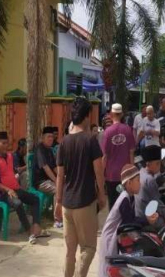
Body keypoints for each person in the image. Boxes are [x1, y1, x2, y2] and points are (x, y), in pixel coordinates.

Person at [55, 97, 106, 277]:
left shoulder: (63, 142)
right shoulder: (91, 140)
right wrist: (102, 194)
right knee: (89, 248)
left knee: (70, 252)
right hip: (85, 202)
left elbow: (60, 176)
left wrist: (58, 202)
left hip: (68, 204)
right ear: (86, 116)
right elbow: (98, 172)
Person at [98, 164, 159, 277]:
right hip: (110, 237)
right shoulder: (125, 199)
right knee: (110, 269)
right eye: (137, 180)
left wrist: (146, 220)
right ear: (129, 183)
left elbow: (132, 220)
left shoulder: (130, 197)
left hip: (116, 235)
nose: (140, 183)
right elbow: (129, 222)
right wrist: (147, 220)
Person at [0, 132, 47, 243]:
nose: (6, 145)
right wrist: (8, 189)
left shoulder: (11, 156)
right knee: (18, 203)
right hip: (3, 193)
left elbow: (13, 171)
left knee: (35, 199)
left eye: (7, 143)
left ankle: (35, 226)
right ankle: (29, 231)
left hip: (16, 189)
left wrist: (17, 178)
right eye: (3, 143)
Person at [101, 103, 136, 209]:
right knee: (126, 204)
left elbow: (104, 156)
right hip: (125, 174)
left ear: (111, 114)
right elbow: (131, 153)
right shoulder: (128, 130)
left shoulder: (107, 132)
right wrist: (133, 172)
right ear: (121, 114)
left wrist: (102, 174)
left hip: (111, 175)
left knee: (113, 205)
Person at [33, 127, 62, 228]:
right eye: (48, 137)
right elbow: (46, 168)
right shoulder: (39, 149)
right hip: (40, 182)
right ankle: (57, 219)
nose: (51, 139)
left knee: (64, 186)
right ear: (42, 138)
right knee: (58, 190)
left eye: (52, 137)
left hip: (48, 180)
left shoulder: (49, 150)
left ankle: (61, 214)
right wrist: (57, 180)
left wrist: (61, 177)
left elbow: (54, 167)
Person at [134, 145, 165, 218]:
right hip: (147, 219)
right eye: (158, 163)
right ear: (149, 164)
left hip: (139, 213)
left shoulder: (140, 172)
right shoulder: (150, 180)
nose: (159, 166)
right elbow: (157, 204)